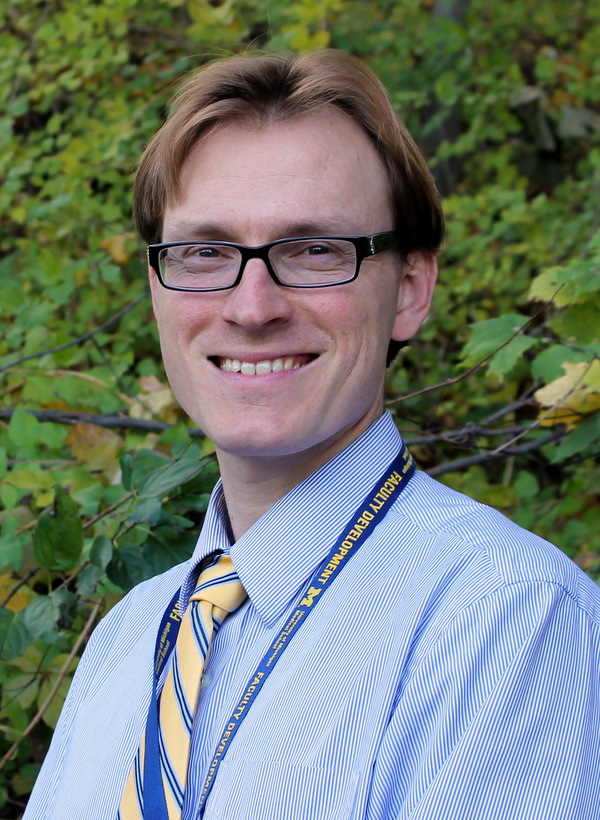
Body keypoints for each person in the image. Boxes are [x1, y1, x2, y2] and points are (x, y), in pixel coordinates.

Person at [24, 50, 599, 820]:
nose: (252, 305)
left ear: (410, 290)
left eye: (314, 250)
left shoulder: (505, 620)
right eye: (203, 252)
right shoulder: (124, 644)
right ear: (157, 288)